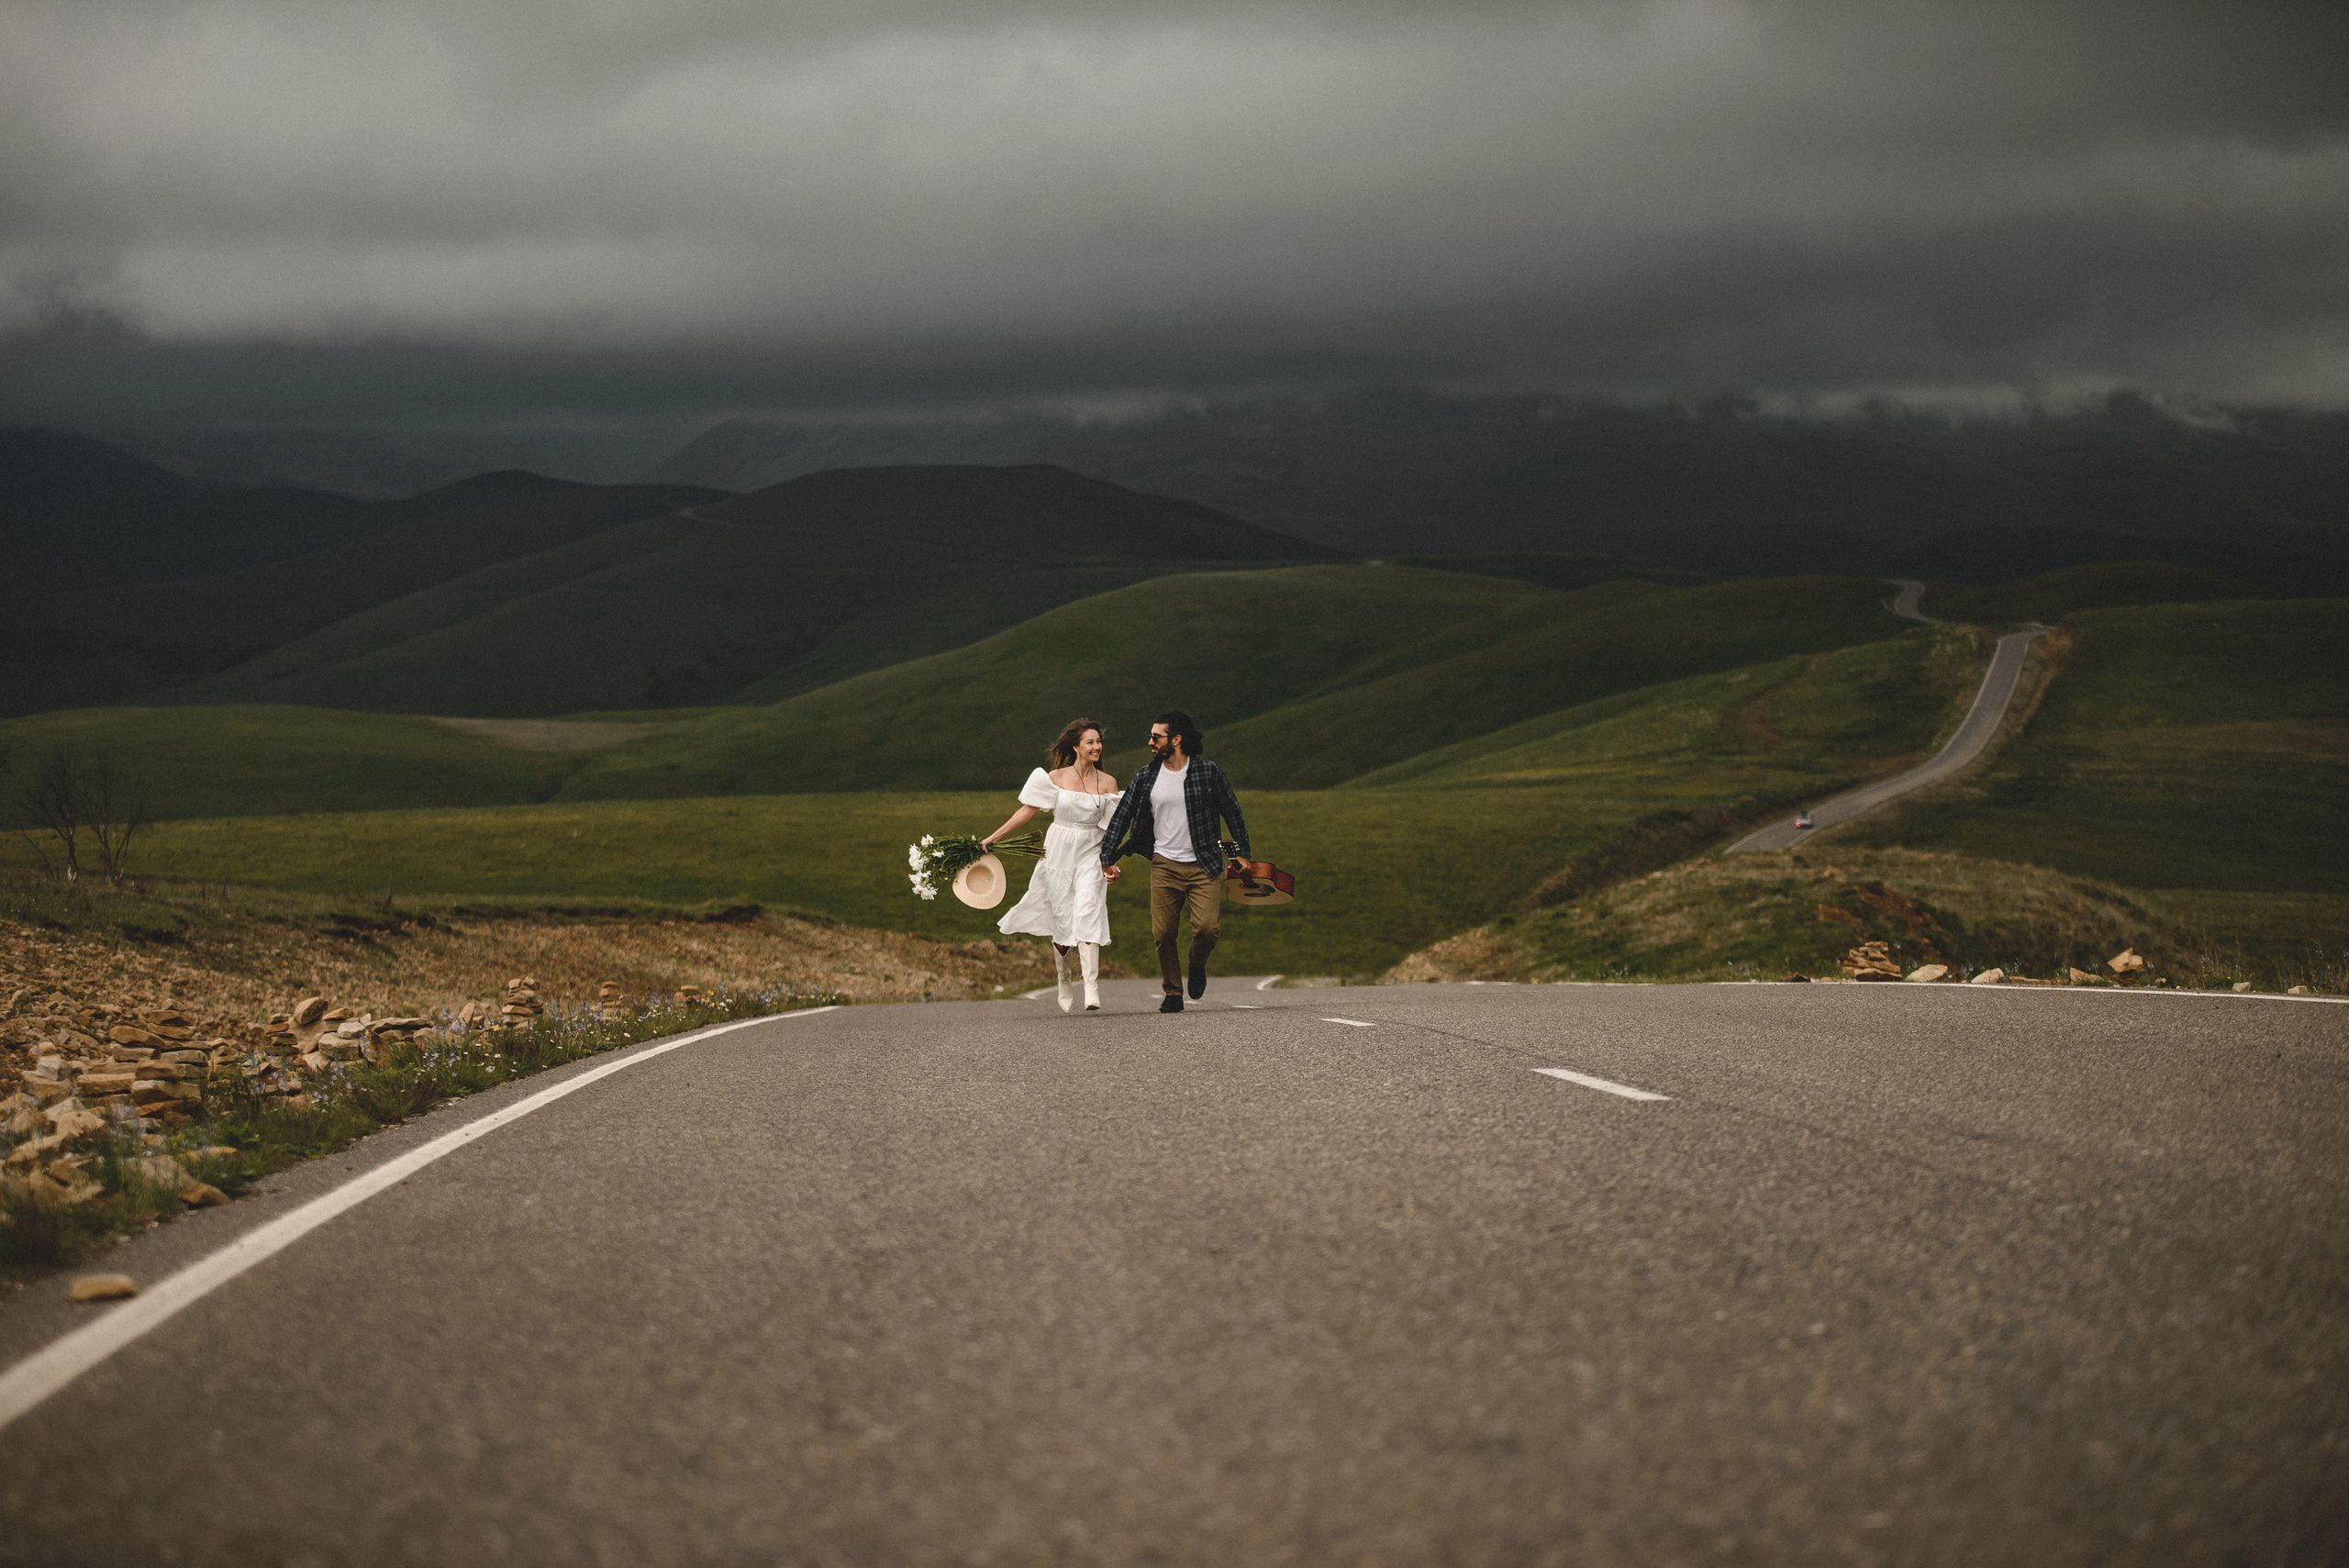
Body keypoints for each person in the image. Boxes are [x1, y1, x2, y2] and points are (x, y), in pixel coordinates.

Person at [1099, 708, 1249, 1013]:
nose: (1151, 742)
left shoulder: (1208, 772)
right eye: (1151, 737)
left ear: (1177, 739)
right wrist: (1107, 857)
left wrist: (1243, 852)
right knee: (1163, 933)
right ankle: (1173, 992)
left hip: (1203, 863)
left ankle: (1196, 964)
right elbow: (1122, 817)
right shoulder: (1146, 776)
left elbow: (1232, 811)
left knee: (1207, 929)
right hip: (1164, 864)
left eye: (1157, 737)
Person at [984, 717, 1119, 1013]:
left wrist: (1110, 863)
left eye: (1099, 742)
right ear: (1076, 747)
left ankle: (1092, 987)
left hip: (1091, 852)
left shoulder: (1108, 783)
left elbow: (1110, 829)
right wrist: (994, 838)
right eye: (1091, 742)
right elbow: (1026, 811)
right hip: (1058, 852)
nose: (1097, 747)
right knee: (1062, 922)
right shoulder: (1055, 777)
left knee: (1088, 910)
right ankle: (1064, 979)